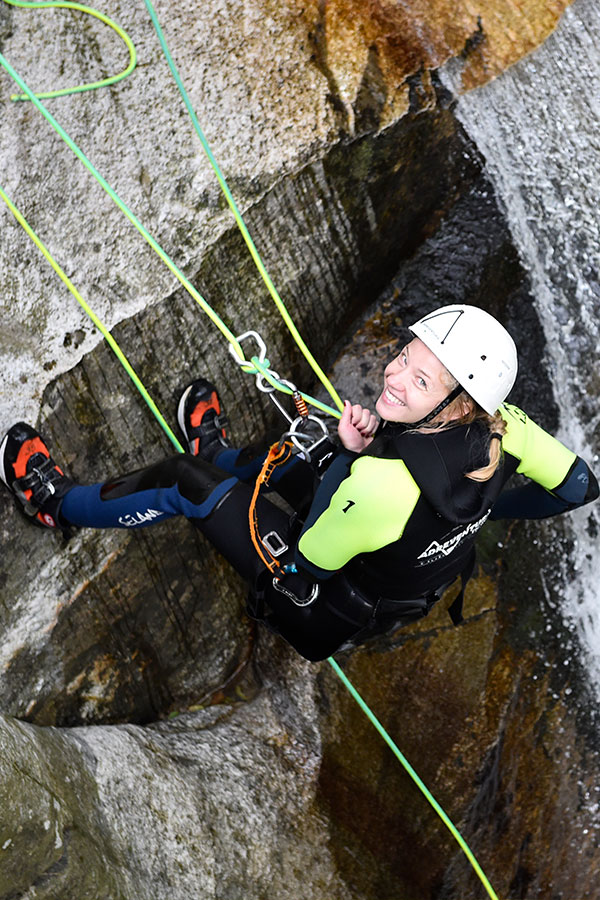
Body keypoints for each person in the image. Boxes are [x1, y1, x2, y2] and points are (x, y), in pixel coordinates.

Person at [1, 304, 598, 660]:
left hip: (318, 601)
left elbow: (308, 559)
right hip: (390, 583)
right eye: (405, 356)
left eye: (419, 382)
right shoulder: (508, 430)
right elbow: (579, 488)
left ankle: (54, 504)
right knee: (305, 442)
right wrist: (481, 513)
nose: (393, 375)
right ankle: (217, 450)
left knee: (188, 483)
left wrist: (347, 453)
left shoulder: (381, 488)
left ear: (458, 406)